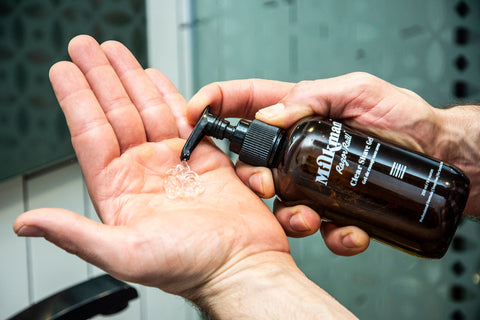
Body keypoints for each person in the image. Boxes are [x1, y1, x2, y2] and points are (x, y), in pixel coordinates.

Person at [13, 35, 479, 319]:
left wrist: (440, 141)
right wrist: (234, 271)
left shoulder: (307, 138)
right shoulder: (295, 168)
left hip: (447, 177)